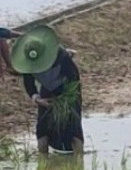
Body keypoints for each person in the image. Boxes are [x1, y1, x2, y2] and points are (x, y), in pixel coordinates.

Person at [9, 25, 84, 154]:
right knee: (43, 128)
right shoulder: (28, 62)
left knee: (73, 127)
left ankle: (78, 160)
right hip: (46, 93)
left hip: (67, 92)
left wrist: (64, 98)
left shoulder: (61, 56)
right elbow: (29, 84)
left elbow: (74, 79)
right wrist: (37, 99)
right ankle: (42, 160)